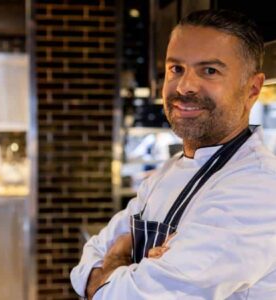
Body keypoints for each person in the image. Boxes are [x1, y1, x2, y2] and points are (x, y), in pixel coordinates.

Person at [71, 9, 276, 300]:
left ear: (252, 89)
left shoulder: (259, 187)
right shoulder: (168, 171)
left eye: (210, 70)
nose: (184, 86)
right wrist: (118, 275)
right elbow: (90, 257)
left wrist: (115, 264)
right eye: (176, 69)